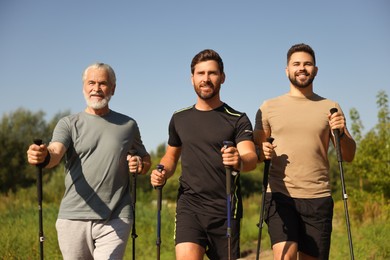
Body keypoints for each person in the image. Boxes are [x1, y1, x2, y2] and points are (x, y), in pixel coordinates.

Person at [26, 62, 151, 260]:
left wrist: (140, 164)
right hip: (73, 217)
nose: (96, 88)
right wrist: (43, 156)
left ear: (113, 88)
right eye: (91, 83)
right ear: (84, 86)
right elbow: (55, 153)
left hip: (116, 216)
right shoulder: (68, 123)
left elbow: (144, 159)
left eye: (103, 83)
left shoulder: (128, 125)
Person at [150, 49, 258, 260]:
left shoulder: (238, 119)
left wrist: (239, 161)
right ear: (192, 79)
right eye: (200, 74)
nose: (206, 79)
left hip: (225, 209)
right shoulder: (179, 118)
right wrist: (161, 171)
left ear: (222, 77)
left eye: (212, 73)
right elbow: (170, 157)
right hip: (190, 206)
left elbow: (250, 158)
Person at [254, 43, 356, 260]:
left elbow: (348, 155)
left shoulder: (331, 106)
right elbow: (255, 153)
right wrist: (261, 151)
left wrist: (341, 133)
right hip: (280, 195)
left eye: (307, 64)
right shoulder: (268, 108)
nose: (302, 68)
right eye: (296, 64)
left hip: (317, 197)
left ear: (315, 70)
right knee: (285, 257)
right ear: (287, 70)